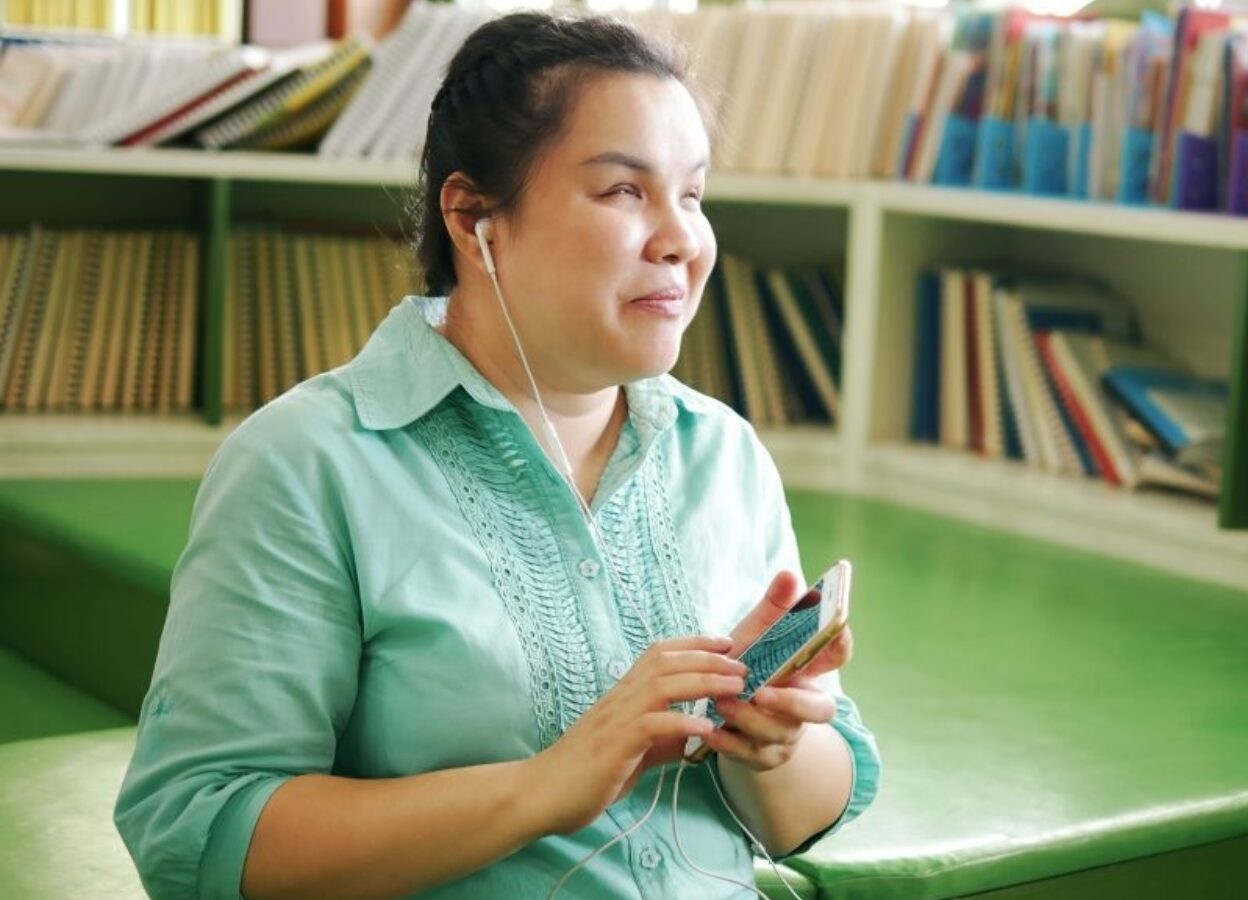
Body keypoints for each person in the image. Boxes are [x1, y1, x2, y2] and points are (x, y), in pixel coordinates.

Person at [113, 12, 880, 899]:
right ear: (475, 218)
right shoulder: (304, 463)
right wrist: (541, 788)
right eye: (624, 192)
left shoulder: (726, 456)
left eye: (694, 195)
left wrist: (772, 746)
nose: (682, 239)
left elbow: (804, 818)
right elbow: (198, 831)